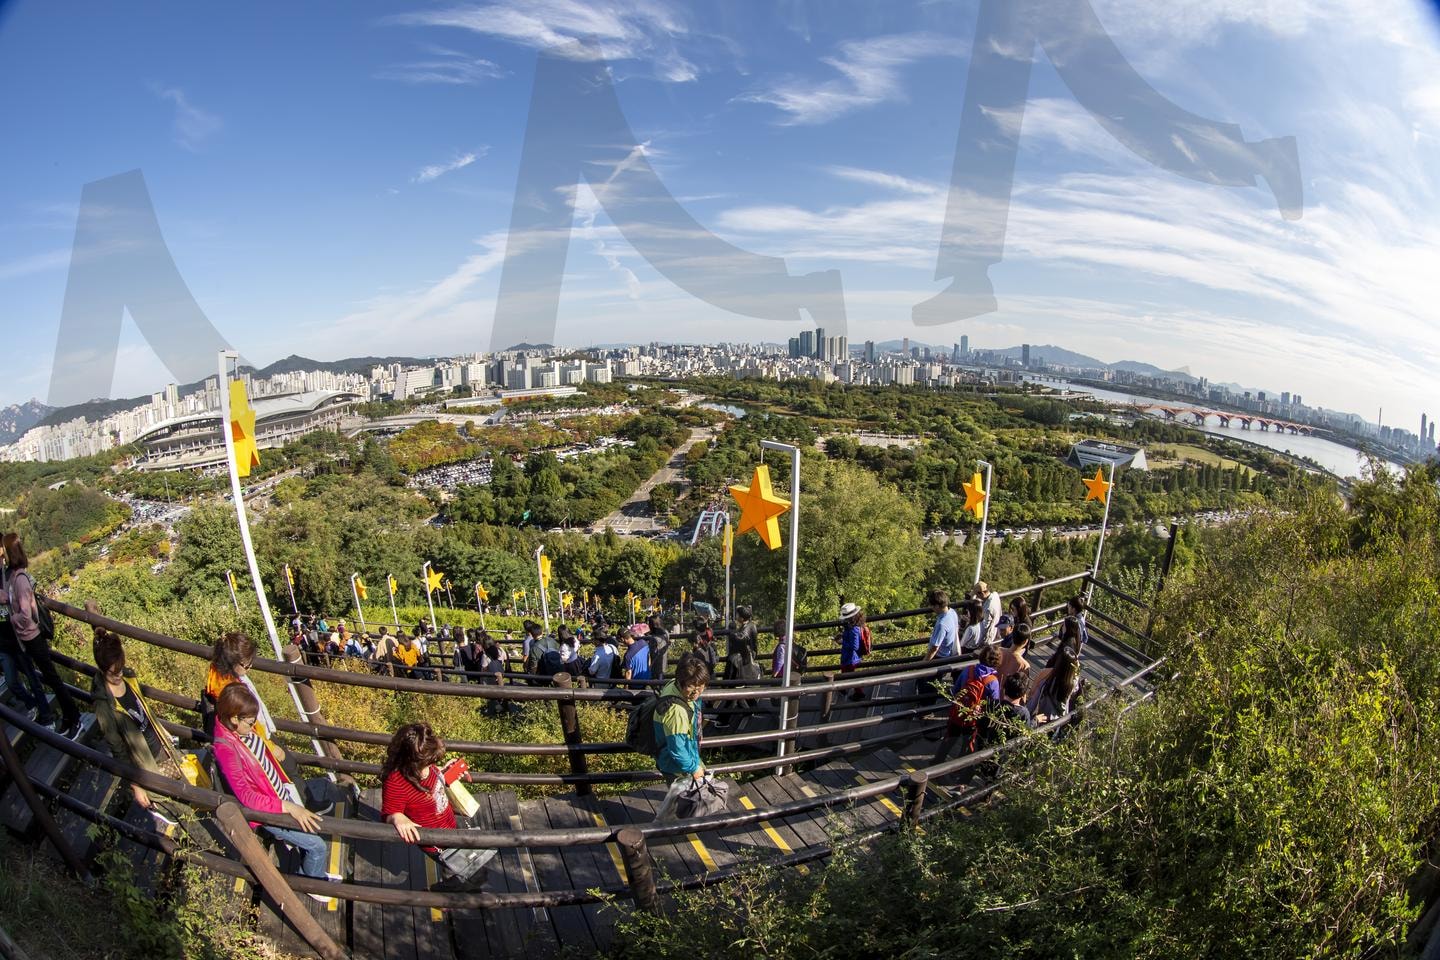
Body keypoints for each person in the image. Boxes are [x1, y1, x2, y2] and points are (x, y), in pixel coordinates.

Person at [210, 683, 339, 898]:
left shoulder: (239, 732)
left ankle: (312, 872)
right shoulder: (226, 748)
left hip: (280, 796)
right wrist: (286, 806)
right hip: (270, 810)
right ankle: (311, 883)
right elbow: (247, 797)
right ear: (234, 719)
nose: (254, 727)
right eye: (250, 722)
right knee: (317, 846)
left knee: (312, 833)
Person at [381, 723, 496, 891]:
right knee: (465, 869)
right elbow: (389, 812)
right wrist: (398, 817)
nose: (431, 767)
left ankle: (453, 889)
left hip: (449, 824)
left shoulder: (424, 765)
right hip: (434, 838)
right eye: (428, 763)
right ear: (413, 761)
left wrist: (445, 773)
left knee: (463, 864)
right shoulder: (397, 781)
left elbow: (431, 785)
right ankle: (440, 894)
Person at [91, 628, 187, 825]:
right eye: (112, 672)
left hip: (159, 745)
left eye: (120, 668)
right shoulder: (104, 705)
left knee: (182, 795)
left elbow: (145, 711)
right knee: (169, 807)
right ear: (102, 669)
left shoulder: (129, 677)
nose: (118, 675)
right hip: (143, 761)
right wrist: (136, 785)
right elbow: (117, 748)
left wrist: (165, 734)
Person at [0, 534, 82, 739]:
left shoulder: (19, 580)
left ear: (9, 553)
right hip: (29, 638)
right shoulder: (14, 577)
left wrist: (11, 618)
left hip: (33, 637)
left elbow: (26, 615)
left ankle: (75, 718)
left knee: (53, 679)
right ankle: (68, 717)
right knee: (51, 679)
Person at [653, 656, 710, 821]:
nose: (696, 693)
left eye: (701, 687)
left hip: (682, 754)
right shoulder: (676, 711)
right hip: (675, 764)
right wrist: (694, 768)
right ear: (681, 682)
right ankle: (665, 828)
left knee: (682, 796)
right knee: (679, 802)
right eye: (692, 687)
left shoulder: (673, 685)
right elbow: (677, 750)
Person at [932, 644, 1002, 764]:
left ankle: (936, 762)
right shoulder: (992, 681)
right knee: (967, 744)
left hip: (958, 712)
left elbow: (955, 690)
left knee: (949, 739)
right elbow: (994, 705)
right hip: (974, 719)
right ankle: (959, 768)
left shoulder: (969, 669)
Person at [201, 631, 276, 741]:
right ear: (231, 662)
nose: (250, 667)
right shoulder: (229, 690)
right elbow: (245, 723)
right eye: (246, 665)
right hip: (248, 738)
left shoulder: (225, 675)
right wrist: (267, 744)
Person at [1029, 633, 1082, 724]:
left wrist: (1028, 717)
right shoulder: (1072, 683)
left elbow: (1034, 698)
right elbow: (1076, 682)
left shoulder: (1047, 674)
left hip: (1044, 716)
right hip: (1060, 719)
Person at [838, 602, 866, 701]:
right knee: (846, 672)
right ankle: (844, 689)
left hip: (851, 657)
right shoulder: (852, 627)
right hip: (849, 656)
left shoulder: (854, 629)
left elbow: (855, 646)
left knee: (851, 675)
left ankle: (859, 693)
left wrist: (842, 642)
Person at [998, 622, 1032, 686]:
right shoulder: (1024, 666)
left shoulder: (998, 651)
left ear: (1012, 635)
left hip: (992, 691)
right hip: (1008, 694)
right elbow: (1022, 688)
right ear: (1025, 641)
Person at [646, 615, 672, 681]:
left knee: (655, 683)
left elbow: (652, 653)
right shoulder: (666, 633)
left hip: (655, 664)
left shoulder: (653, 638)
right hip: (664, 661)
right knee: (661, 680)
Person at [976, 581, 1003, 645]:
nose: (977, 597)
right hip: (997, 632)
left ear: (982, 593)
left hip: (989, 639)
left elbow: (984, 627)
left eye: (977, 595)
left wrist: (972, 619)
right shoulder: (995, 595)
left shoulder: (988, 608)